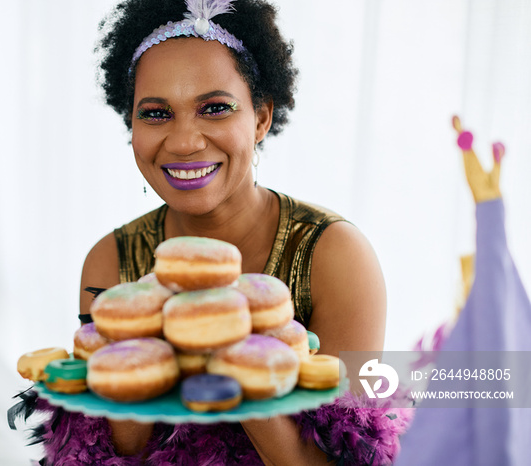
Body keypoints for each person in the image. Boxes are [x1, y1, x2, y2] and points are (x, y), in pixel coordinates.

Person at [74, 0, 387, 464]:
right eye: (156, 113)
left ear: (261, 118)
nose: (184, 142)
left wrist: (235, 352)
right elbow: (105, 455)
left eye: (215, 108)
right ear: (131, 125)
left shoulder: (335, 257)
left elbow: (351, 455)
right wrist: (141, 353)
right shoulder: (109, 262)